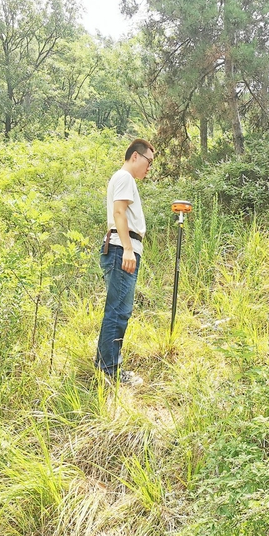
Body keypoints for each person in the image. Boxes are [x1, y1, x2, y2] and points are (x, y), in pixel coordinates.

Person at [95, 138, 155, 385]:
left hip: (122, 248)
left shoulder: (124, 179)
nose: (149, 168)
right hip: (122, 249)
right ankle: (111, 370)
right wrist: (128, 249)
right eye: (148, 162)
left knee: (117, 310)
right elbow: (119, 212)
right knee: (119, 312)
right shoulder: (124, 178)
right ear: (135, 157)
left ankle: (104, 363)